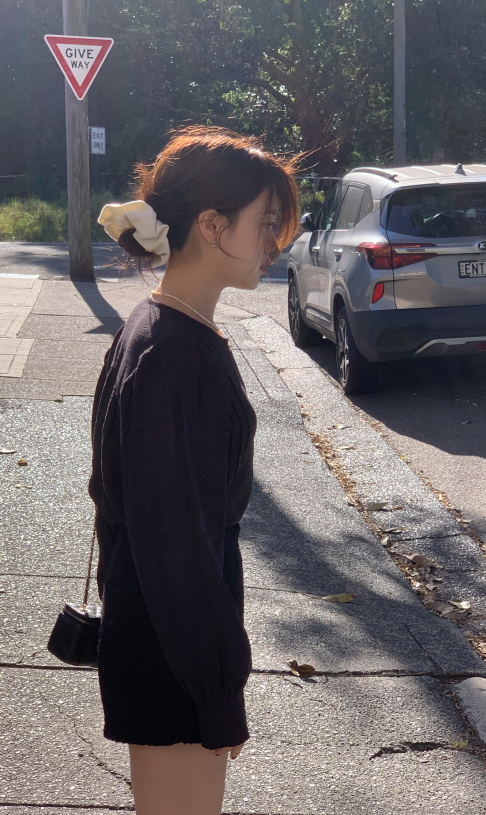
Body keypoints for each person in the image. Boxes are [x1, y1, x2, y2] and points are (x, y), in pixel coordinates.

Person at [88, 126, 299, 815]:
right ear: (211, 226)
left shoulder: (158, 327)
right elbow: (177, 544)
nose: (273, 242)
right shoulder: (176, 356)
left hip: (157, 638)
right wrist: (216, 693)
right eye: (265, 222)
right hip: (172, 655)